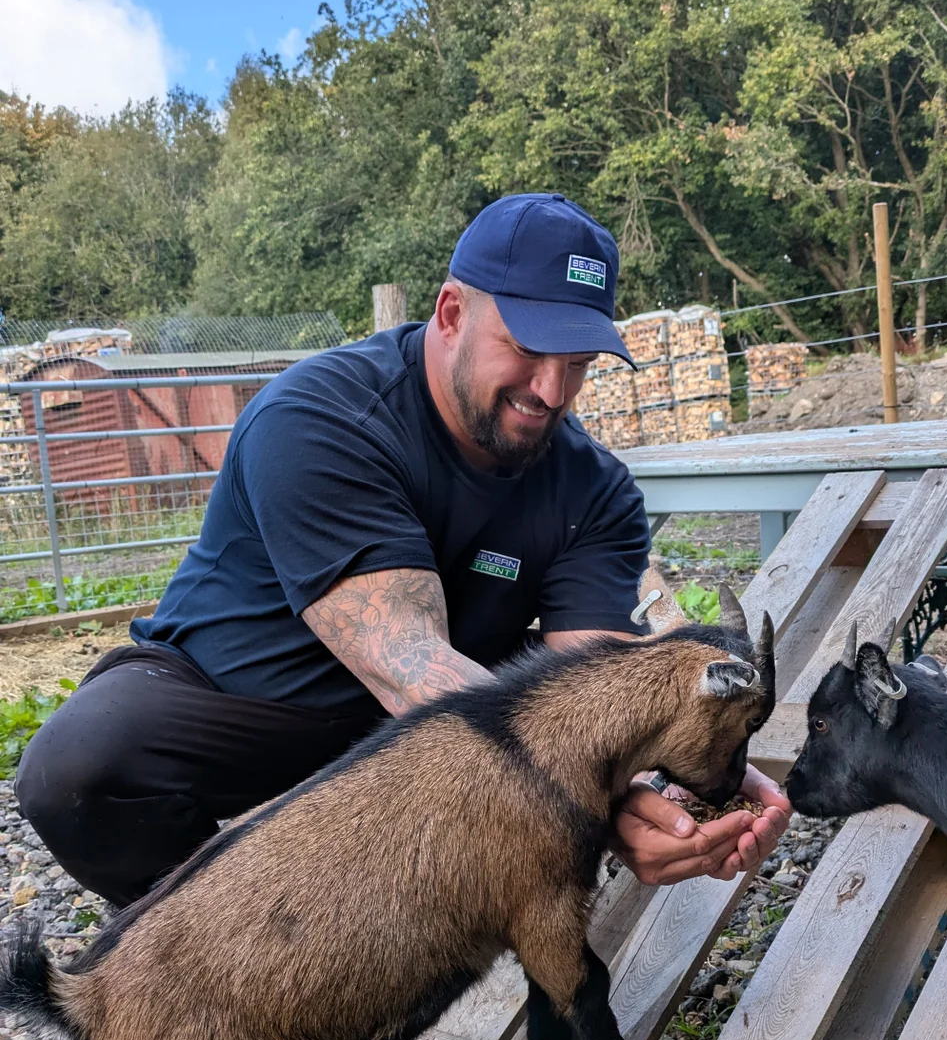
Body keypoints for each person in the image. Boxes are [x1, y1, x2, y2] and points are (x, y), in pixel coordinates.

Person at [16, 193, 789, 908]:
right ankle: (228, 941)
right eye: (528, 348)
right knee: (77, 773)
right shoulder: (320, 418)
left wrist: (694, 777)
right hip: (248, 699)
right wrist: (608, 799)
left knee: (541, 760)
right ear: (451, 312)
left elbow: (602, 695)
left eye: (579, 363)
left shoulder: (594, 489)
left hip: (438, 718)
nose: (552, 391)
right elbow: (412, 666)